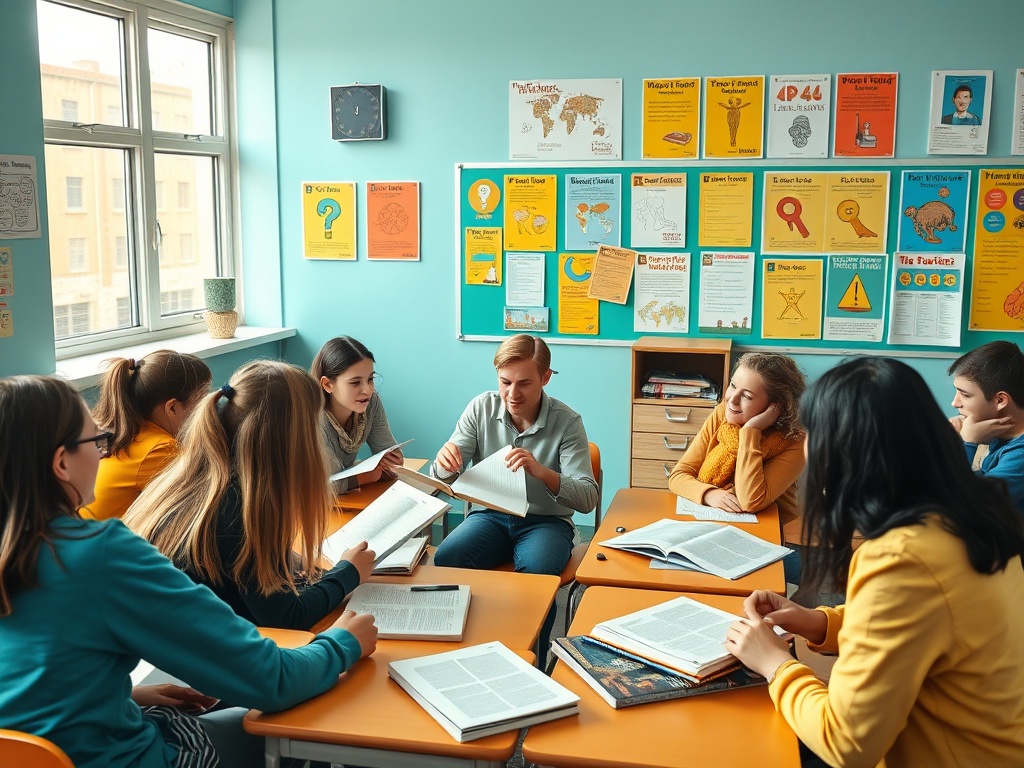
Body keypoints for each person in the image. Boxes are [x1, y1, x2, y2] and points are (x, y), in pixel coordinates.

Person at [0, 374, 378, 768]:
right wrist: (343, 643)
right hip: (123, 759)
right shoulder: (100, 555)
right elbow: (272, 681)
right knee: (306, 730)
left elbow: (28, 677)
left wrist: (124, 696)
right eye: (97, 442)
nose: (101, 453)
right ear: (62, 463)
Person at [724, 357, 1024, 768]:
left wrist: (774, 663)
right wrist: (819, 622)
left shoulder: (901, 558)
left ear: (844, 455)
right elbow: (926, 618)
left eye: (814, 434)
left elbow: (846, 745)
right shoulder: (973, 516)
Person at [124, 360, 375, 631]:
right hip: (174, 651)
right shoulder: (239, 509)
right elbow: (287, 618)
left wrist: (292, 563)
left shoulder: (198, 478)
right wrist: (348, 573)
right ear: (291, 439)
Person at [432, 334, 598, 575]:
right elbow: (441, 480)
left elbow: (588, 499)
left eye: (524, 383)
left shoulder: (567, 422)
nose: (512, 393)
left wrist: (543, 473)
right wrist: (444, 465)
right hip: (488, 516)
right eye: (505, 382)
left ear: (545, 378)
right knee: (448, 557)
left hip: (546, 522)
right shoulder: (480, 408)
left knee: (538, 570)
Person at [668, 352, 806, 523]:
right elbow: (678, 476)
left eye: (747, 396)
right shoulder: (723, 414)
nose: (732, 400)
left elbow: (751, 501)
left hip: (774, 529)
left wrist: (751, 431)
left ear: (776, 407)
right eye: (733, 385)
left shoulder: (795, 440)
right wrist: (709, 494)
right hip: (717, 519)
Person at [83, 350, 212, 521]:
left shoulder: (123, 430)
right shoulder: (160, 450)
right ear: (172, 408)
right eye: (201, 400)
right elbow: (194, 504)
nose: (208, 408)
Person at [311, 336, 403, 492]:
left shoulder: (371, 402)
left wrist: (392, 461)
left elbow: (388, 453)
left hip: (344, 499)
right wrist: (362, 478)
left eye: (370, 379)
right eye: (355, 382)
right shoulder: (313, 418)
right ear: (327, 384)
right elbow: (315, 488)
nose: (368, 390)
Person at [948, 340, 1024, 514]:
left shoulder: (1020, 454)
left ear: (1000, 400)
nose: (955, 403)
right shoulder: (1002, 437)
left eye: (965, 395)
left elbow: (970, 506)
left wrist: (967, 444)